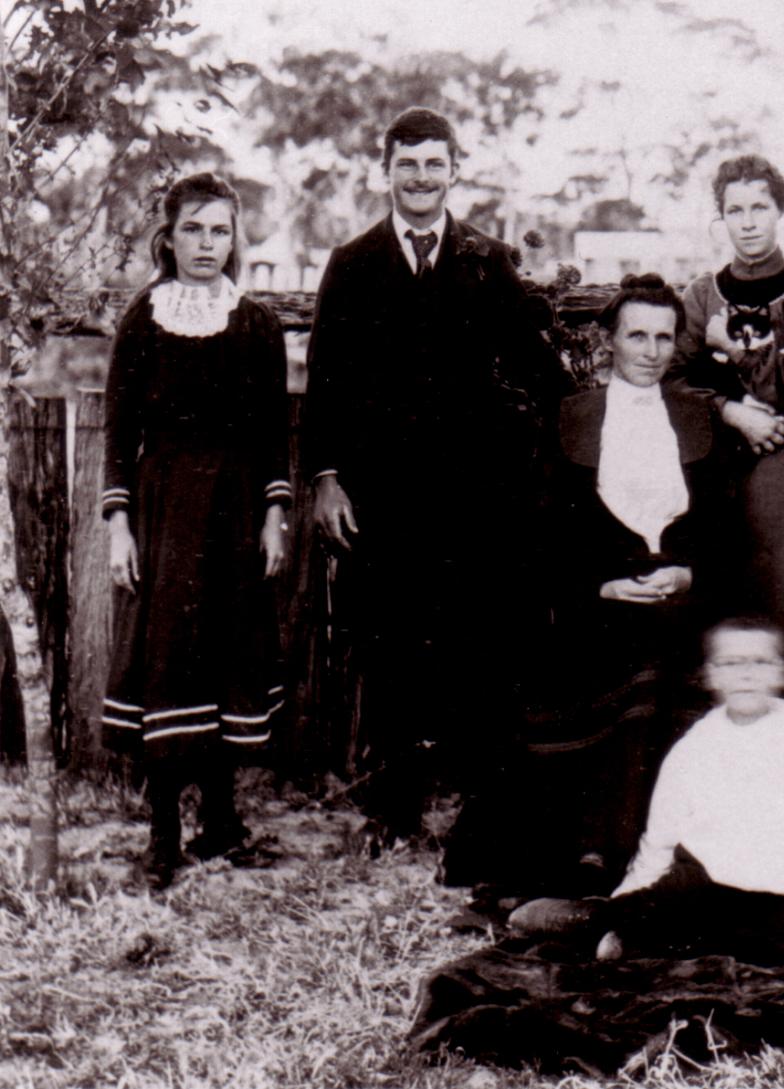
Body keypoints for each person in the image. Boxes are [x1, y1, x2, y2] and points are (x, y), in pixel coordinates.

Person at [304, 107, 557, 853]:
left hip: (472, 495)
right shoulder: (352, 263)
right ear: (385, 171)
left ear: (455, 169)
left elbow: (535, 368)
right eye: (406, 164)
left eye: (433, 164)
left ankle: (478, 809)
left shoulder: (487, 258)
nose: (420, 178)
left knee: (474, 644)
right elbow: (324, 382)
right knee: (386, 649)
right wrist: (325, 478)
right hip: (381, 497)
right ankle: (394, 809)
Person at [101, 172, 290, 889]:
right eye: (192, 229)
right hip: (166, 506)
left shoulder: (256, 323)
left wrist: (275, 516)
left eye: (220, 230)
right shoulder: (144, 318)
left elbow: (275, 431)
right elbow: (119, 431)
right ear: (168, 236)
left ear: (235, 238)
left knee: (226, 652)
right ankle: (163, 835)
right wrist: (120, 525)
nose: (206, 244)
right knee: (169, 655)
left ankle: (221, 822)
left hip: (237, 508)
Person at [533, 274, 732, 888]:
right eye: (637, 336)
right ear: (609, 341)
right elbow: (545, 532)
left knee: (668, 655)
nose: (651, 351)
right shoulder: (572, 416)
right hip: (598, 596)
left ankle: (671, 851)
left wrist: (687, 573)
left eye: (664, 338)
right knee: (626, 657)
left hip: (682, 595)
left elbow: (725, 527)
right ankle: (601, 846)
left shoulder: (697, 417)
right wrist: (601, 587)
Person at [580, 617, 784, 965]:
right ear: (710, 675)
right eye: (731, 663)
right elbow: (661, 836)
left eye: (760, 662)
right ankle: (592, 920)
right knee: (645, 906)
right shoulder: (695, 745)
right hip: (703, 885)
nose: (746, 674)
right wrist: (630, 895)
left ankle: (642, 941)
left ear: (783, 673)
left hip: (779, 897)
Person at [674, 156, 784, 685]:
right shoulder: (701, 295)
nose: (748, 221)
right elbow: (673, 381)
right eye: (734, 209)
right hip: (718, 468)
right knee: (723, 597)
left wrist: (731, 353)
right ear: (720, 218)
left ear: (780, 210)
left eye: (759, 207)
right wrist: (731, 411)